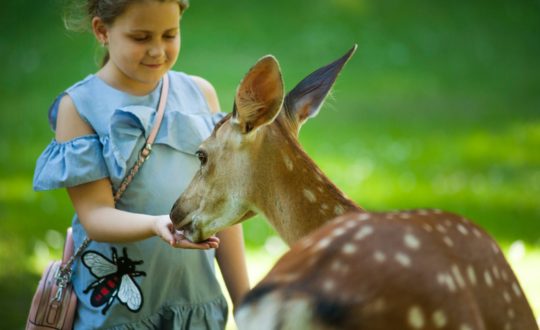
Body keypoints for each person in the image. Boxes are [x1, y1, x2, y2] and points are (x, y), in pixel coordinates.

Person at [32, 0, 250, 328]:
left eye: (169, 35)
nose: (157, 50)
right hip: (118, 315)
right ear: (102, 30)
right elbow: (95, 216)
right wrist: (155, 225)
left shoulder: (200, 95)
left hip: (194, 304)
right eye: (140, 37)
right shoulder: (79, 108)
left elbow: (222, 209)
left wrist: (243, 298)